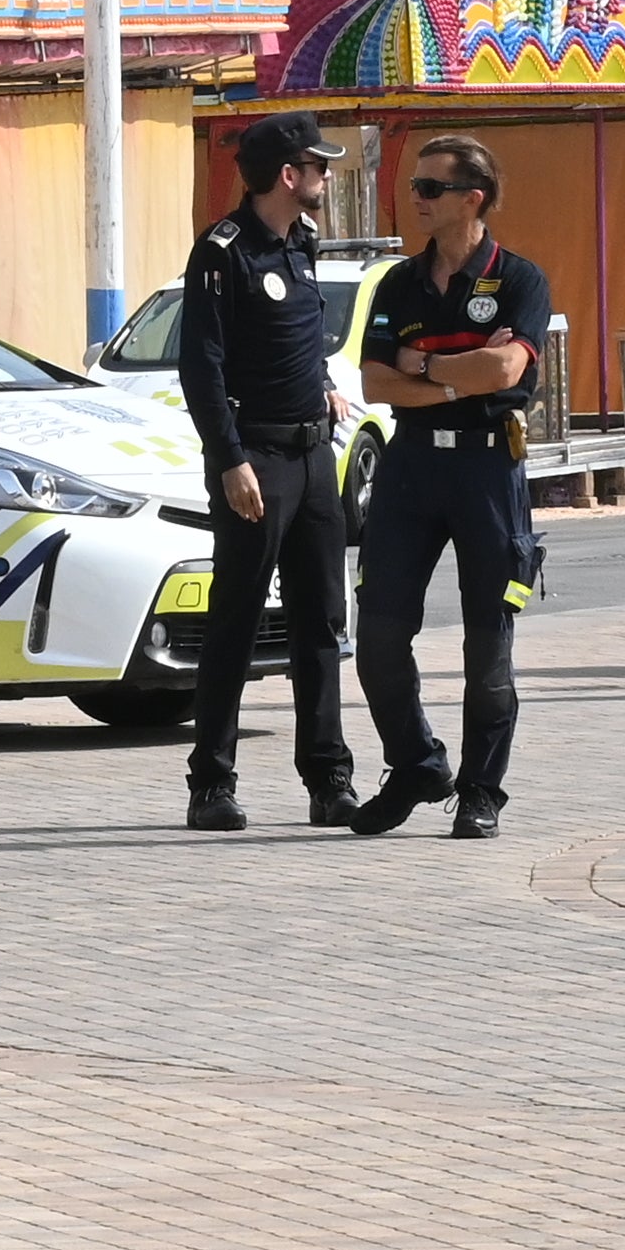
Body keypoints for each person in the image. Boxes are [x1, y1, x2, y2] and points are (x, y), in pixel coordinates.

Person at [347, 135, 553, 841]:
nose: (417, 198)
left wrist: (425, 366)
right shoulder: (399, 284)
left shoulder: (519, 279)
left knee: (486, 640)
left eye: (431, 188)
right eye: (415, 186)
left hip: (487, 467)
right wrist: (459, 368)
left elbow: (504, 376)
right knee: (376, 632)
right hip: (410, 468)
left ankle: (481, 789)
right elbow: (374, 382)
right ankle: (416, 765)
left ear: (474, 198)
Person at [172, 113, 358, 828]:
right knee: (238, 620)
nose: (327, 176)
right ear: (289, 175)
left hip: (315, 458)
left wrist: (321, 382)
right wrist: (229, 460)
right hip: (258, 460)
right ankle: (211, 783)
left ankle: (328, 779)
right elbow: (203, 366)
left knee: (321, 622)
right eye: (318, 165)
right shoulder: (223, 253)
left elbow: (294, 340)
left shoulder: (301, 246)